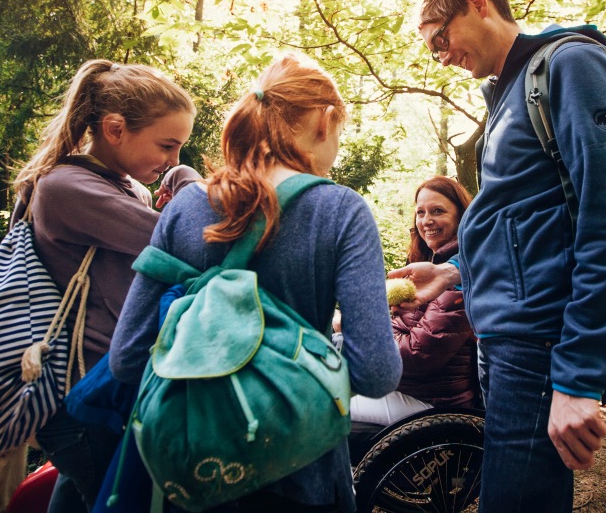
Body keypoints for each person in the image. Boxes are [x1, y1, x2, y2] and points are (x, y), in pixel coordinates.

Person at [389, 0, 606, 512]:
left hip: (540, 346)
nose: (440, 56)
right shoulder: (508, 95)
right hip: (506, 344)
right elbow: (530, 231)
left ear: (477, 4)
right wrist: (455, 273)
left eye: (440, 38)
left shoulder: (571, 64)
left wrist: (577, 378)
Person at [109, 54, 403, 513]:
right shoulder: (341, 212)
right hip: (302, 475)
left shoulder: (185, 206)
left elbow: (127, 357)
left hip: (189, 479)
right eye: (340, 134)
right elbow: (377, 372)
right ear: (325, 123)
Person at [11, 59, 200, 513]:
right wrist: (188, 182)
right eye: (167, 146)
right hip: (84, 397)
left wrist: (170, 176)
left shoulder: (119, 187)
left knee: (79, 500)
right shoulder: (68, 188)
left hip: (99, 393)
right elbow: (190, 242)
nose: (173, 159)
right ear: (115, 129)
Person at [349, 175, 478, 425]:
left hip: (433, 404)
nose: (426, 220)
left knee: (325, 405)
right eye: (420, 212)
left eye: (437, 211)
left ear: (461, 216)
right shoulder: (427, 265)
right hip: (408, 390)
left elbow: (416, 356)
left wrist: (358, 327)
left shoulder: (460, 277)